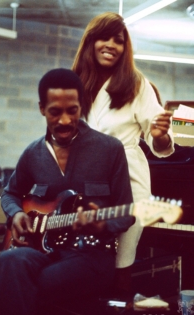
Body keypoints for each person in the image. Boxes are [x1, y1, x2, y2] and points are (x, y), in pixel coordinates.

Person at [0, 68, 135, 315]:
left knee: (29, 283)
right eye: (54, 112)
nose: (64, 120)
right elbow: (10, 193)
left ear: (81, 106)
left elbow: (127, 211)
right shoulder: (32, 153)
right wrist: (16, 214)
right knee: (8, 262)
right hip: (43, 250)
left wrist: (101, 224)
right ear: (41, 108)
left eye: (72, 110)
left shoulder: (110, 149)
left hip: (91, 256)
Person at [72, 12, 174, 291]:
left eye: (118, 40)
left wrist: (160, 135)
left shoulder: (136, 83)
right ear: (91, 42)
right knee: (80, 257)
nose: (111, 45)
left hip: (127, 177)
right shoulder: (76, 82)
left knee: (121, 262)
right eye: (104, 38)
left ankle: (120, 305)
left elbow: (161, 145)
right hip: (82, 179)